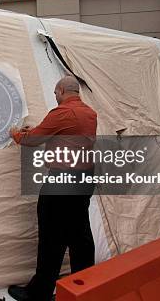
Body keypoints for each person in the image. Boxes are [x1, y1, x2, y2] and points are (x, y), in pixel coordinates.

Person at [8, 75, 97, 301]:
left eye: (55, 93)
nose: (55, 97)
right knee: (80, 236)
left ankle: (39, 293)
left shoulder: (62, 112)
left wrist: (16, 134)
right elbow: (63, 135)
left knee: (51, 237)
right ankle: (84, 286)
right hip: (84, 179)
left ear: (61, 90)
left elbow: (32, 140)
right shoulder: (89, 113)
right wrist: (36, 130)